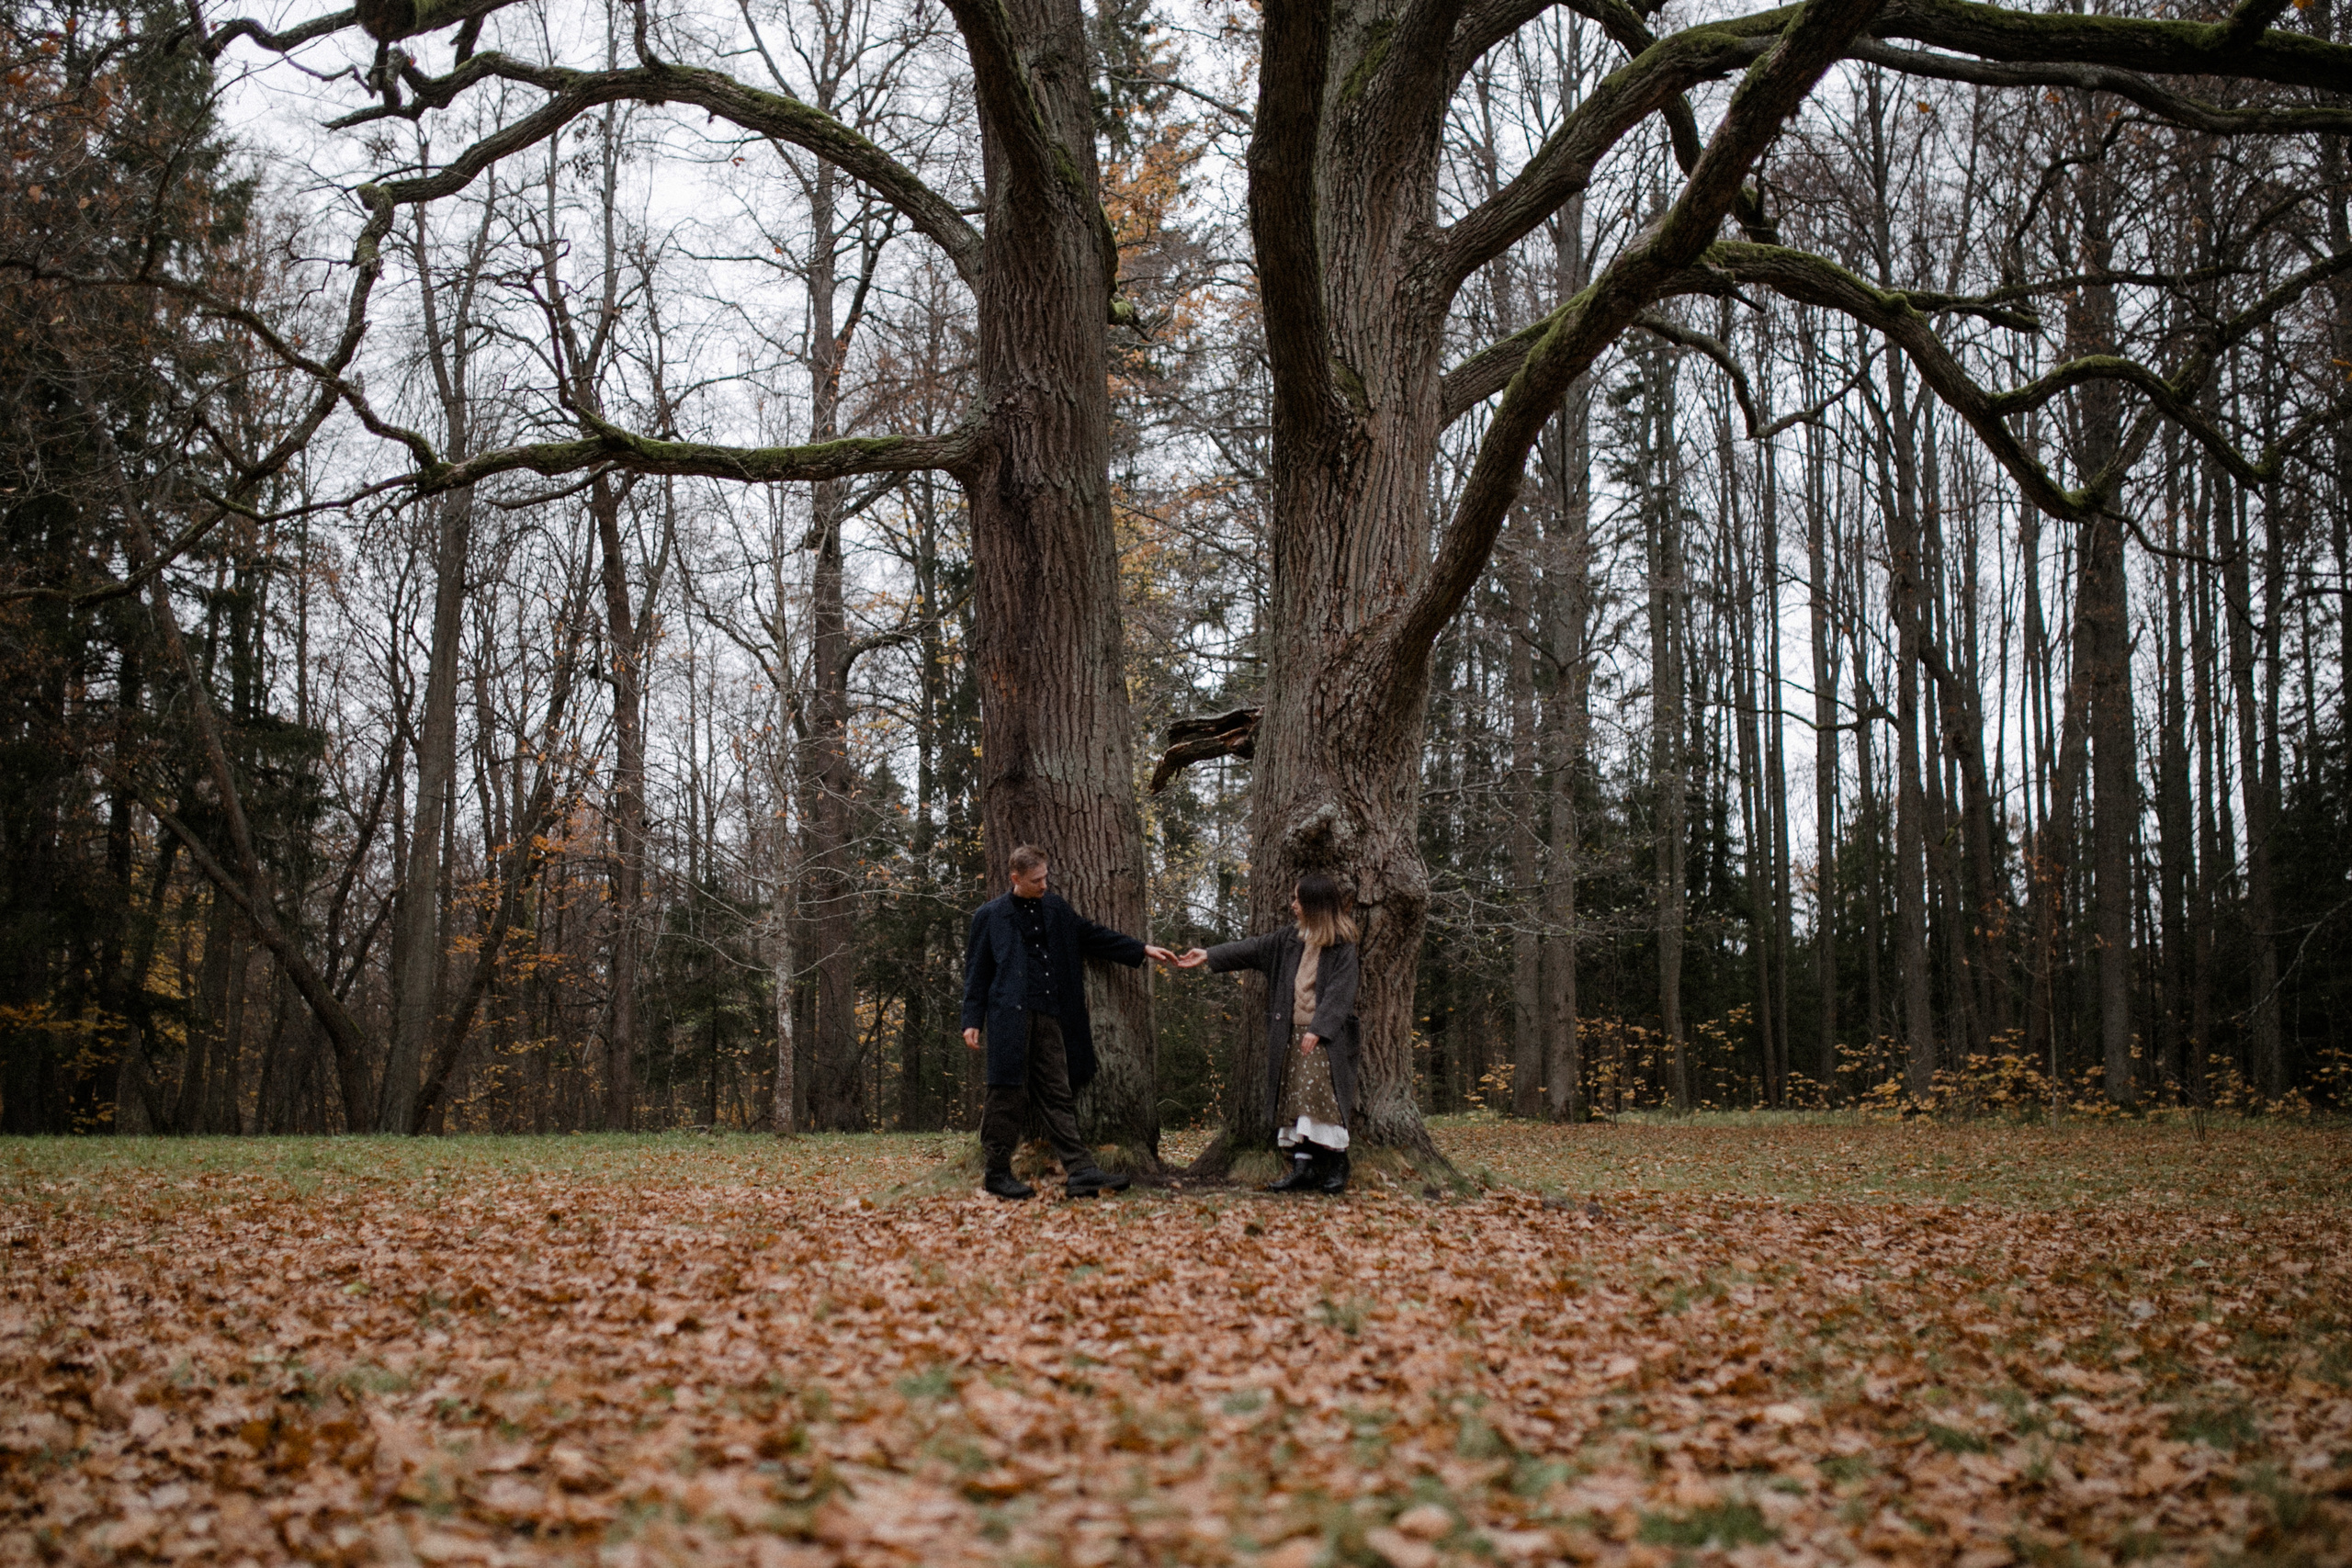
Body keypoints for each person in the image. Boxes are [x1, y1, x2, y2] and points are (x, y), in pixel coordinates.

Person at [962, 845, 1176, 1200]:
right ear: (1015, 879)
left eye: (1046, 877)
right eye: (1036, 880)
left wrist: (1141, 950)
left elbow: (1092, 935)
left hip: (1051, 1014)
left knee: (1058, 1093)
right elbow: (977, 971)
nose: (1044, 885)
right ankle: (996, 1173)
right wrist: (972, 1020)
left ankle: (1081, 1172)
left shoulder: (1056, 909)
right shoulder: (990, 916)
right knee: (1006, 1092)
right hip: (1006, 1017)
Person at [1174, 873, 1361, 1193]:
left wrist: (1318, 1030)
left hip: (1323, 1038)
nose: (1293, 905)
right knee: (1295, 1099)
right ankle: (1302, 1168)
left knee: (1320, 1100)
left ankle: (1338, 1162)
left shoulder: (1341, 947)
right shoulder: (1290, 940)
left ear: (1315, 905)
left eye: (1299, 900)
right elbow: (1253, 948)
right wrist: (1209, 954)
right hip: (1290, 1033)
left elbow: (1340, 995)